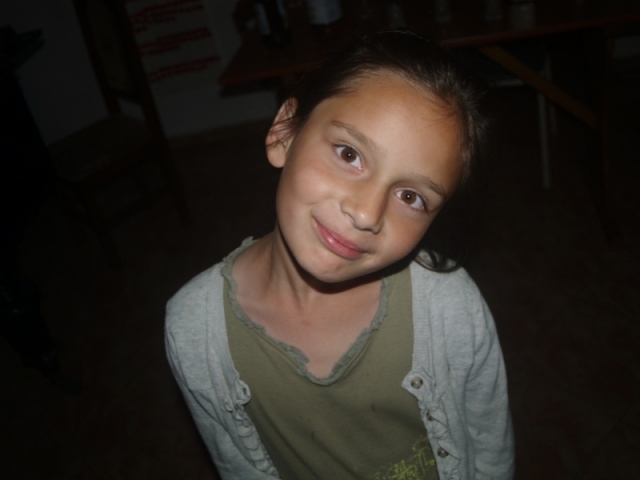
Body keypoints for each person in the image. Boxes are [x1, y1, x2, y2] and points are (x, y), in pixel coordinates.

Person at [165, 30, 514, 480]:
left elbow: (490, 446)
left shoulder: (451, 307)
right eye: (349, 154)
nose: (366, 213)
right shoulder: (194, 330)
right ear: (284, 133)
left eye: (410, 197)